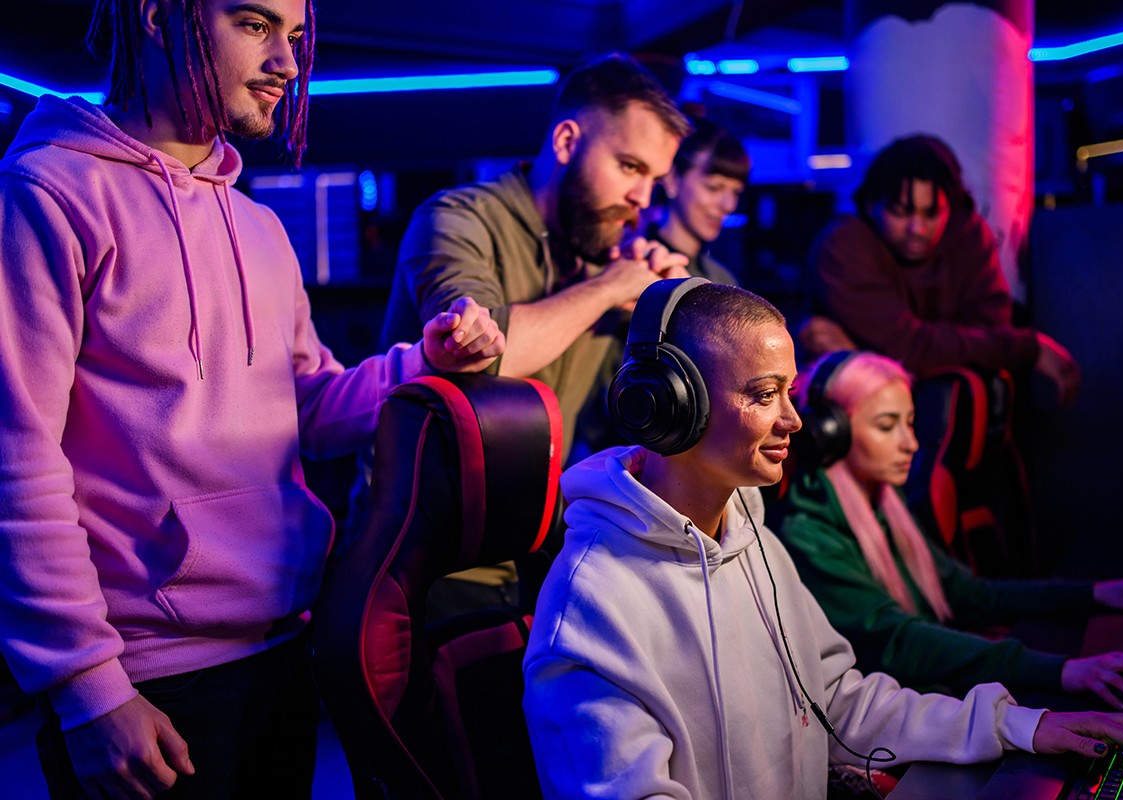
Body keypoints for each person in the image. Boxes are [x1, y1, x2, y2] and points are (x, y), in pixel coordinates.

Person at [0, 1, 503, 798]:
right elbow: (15, 456)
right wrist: (87, 688)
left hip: (280, 653)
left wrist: (422, 363)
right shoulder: (47, 195)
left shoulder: (259, 226)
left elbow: (307, 405)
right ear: (159, 16)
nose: (289, 64)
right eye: (254, 25)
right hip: (146, 679)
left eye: (296, 36)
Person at [522, 279, 1123, 800]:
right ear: (670, 405)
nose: (793, 419)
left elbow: (838, 702)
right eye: (763, 394)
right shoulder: (592, 610)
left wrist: (1024, 724)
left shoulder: (755, 542)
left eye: (791, 392)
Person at [775, 350, 1123, 707]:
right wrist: (1064, 672)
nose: (911, 444)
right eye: (887, 426)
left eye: (911, 422)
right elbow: (899, 640)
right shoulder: (806, 533)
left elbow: (971, 594)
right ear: (830, 433)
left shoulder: (882, 501)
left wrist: (1096, 594)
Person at [379, 52, 693, 456]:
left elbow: (628, 417)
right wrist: (609, 288)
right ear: (566, 142)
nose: (643, 198)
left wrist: (664, 312)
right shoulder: (456, 218)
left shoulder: (603, 250)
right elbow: (478, 354)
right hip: (420, 513)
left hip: (543, 513)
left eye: (654, 179)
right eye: (630, 167)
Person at [801, 134, 1080, 405]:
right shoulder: (843, 245)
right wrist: (1023, 347)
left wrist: (870, 353)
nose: (917, 228)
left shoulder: (969, 233)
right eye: (900, 212)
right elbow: (907, 345)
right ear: (872, 204)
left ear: (952, 209)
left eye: (932, 213)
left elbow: (988, 329)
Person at [645, 116, 747, 285]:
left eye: (736, 192)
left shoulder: (722, 280)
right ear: (672, 180)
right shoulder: (638, 268)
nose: (729, 205)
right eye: (713, 187)